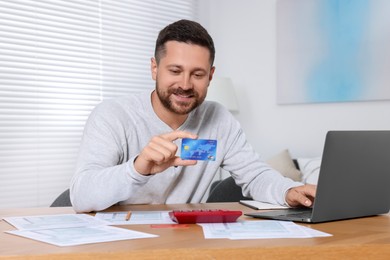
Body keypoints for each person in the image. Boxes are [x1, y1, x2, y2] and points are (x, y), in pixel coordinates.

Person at [70, 19, 316, 213]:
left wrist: (290, 190)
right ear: (154, 68)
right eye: (175, 71)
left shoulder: (219, 119)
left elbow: (255, 176)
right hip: (122, 240)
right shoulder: (112, 115)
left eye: (197, 74)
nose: (185, 84)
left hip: (187, 240)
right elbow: (81, 196)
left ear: (211, 75)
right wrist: (138, 168)